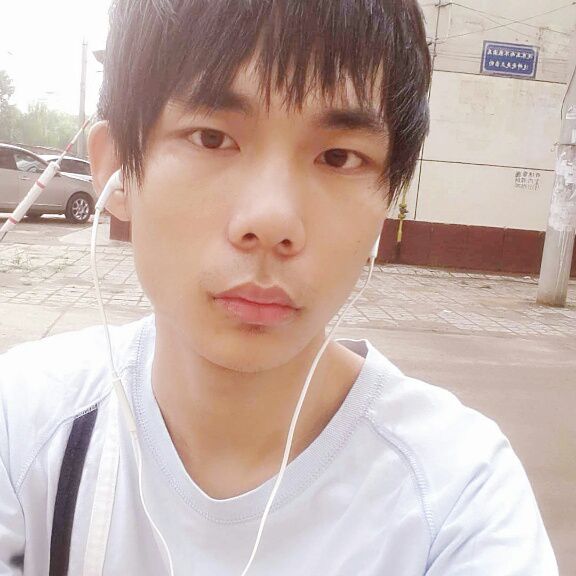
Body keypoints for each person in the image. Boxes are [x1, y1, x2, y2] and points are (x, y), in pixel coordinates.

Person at [0, 1, 558, 574]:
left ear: (391, 196)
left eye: (338, 157)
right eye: (211, 138)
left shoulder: (457, 496)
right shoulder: (25, 426)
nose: (271, 221)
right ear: (116, 168)